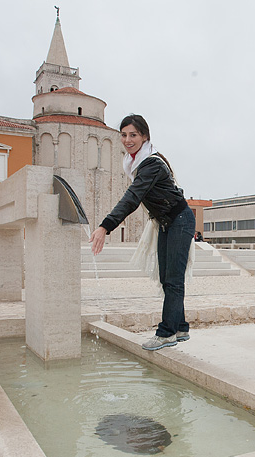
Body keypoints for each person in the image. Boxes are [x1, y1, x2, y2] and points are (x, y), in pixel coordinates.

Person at [90, 114, 194, 351]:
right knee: (166, 278)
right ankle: (180, 326)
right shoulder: (135, 163)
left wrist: (105, 226)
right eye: (124, 135)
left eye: (133, 135)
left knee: (173, 280)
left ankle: (166, 333)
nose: (127, 140)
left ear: (145, 136)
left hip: (179, 220)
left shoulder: (151, 164)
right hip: (167, 222)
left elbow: (132, 198)